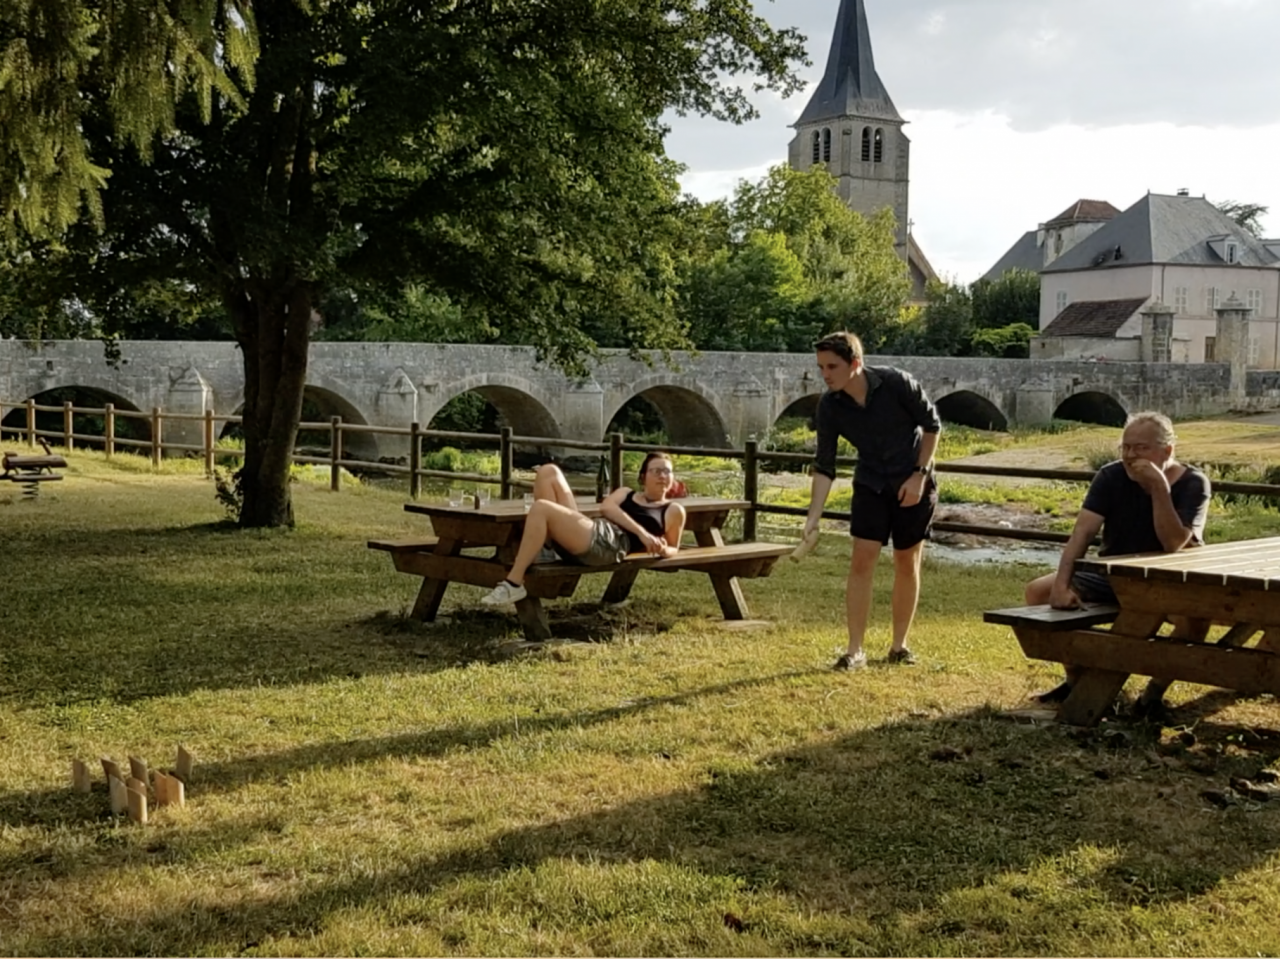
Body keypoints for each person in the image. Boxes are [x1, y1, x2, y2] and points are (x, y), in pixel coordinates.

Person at [1024, 410, 1211, 710]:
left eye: (1140, 448)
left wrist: (1159, 488)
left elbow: (1173, 543)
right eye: (1125, 447)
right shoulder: (1110, 476)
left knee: (1194, 619)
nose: (1130, 455)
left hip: (1169, 579)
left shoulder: (1194, 483)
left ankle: (1153, 694)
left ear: (1167, 450)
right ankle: (1076, 680)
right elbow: (1082, 533)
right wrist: (1061, 584)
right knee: (1038, 592)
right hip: (1112, 574)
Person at [800, 332, 942, 670]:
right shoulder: (830, 406)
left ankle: (899, 647)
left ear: (856, 364)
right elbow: (825, 465)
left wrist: (918, 475)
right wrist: (813, 518)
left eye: (832, 366)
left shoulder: (897, 383)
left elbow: (932, 426)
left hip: (913, 480)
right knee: (861, 563)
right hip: (870, 484)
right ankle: (854, 651)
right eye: (821, 367)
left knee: (906, 563)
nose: (826, 374)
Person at [479, 452, 687, 606]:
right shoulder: (626, 493)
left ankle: (514, 583)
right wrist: (643, 533)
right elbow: (607, 507)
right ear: (643, 477)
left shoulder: (673, 510)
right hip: (596, 531)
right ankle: (544, 548)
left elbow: (673, 548)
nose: (662, 476)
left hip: (612, 546)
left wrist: (661, 549)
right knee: (548, 471)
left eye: (667, 471)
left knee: (541, 509)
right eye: (656, 471)